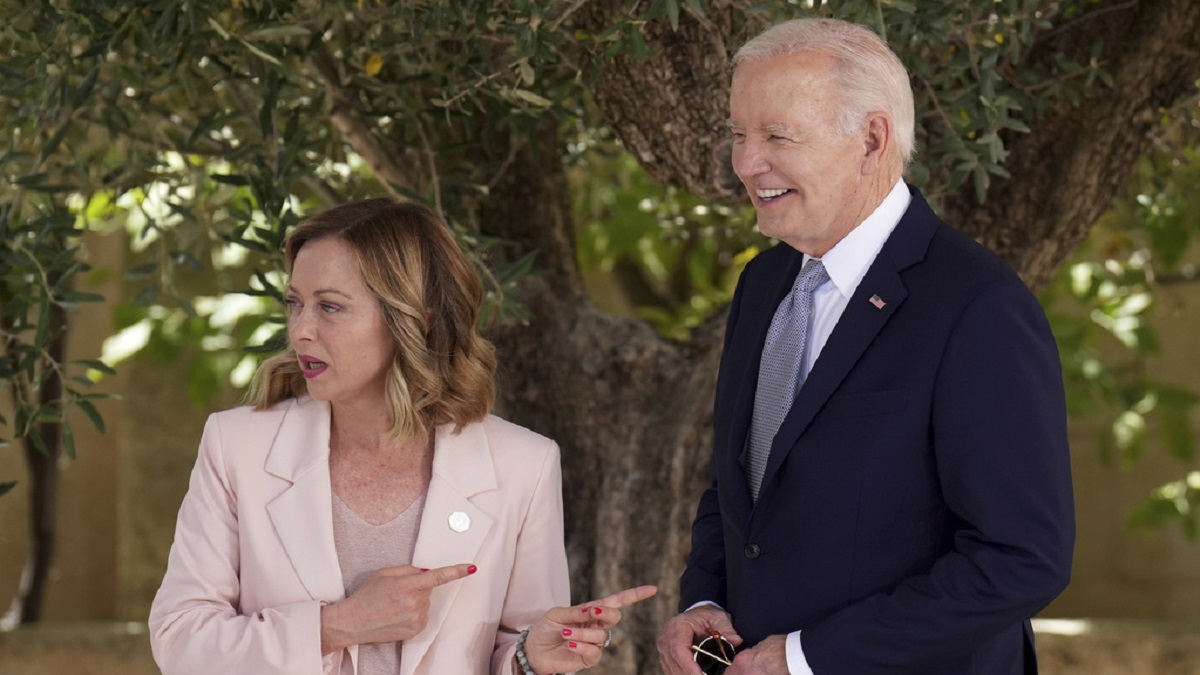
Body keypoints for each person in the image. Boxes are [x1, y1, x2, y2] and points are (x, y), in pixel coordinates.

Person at [657, 18, 1074, 675]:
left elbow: (1020, 558)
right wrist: (705, 595)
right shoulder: (763, 284)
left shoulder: (977, 306)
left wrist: (806, 656)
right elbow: (740, 490)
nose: (744, 163)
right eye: (739, 134)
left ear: (871, 139)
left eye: (777, 135)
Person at [149, 198, 656, 675]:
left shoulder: (524, 464)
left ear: (416, 320)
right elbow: (181, 640)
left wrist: (530, 658)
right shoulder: (237, 445)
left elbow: (511, 648)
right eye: (295, 303)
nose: (300, 330)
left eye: (329, 307)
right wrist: (338, 625)